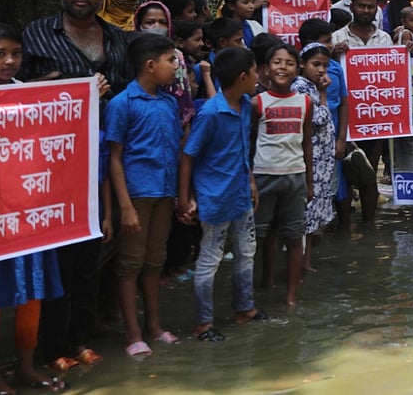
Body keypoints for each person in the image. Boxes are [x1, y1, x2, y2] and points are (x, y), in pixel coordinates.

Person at [22, 0, 131, 371]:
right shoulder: (36, 35)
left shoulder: (118, 39)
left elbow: (125, 98)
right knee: (55, 258)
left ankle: (83, 337)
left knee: (94, 253)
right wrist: (51, 87)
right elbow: (16, 93)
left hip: (102, 162)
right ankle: (52, 347)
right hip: (50, 165)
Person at [0, 24, 67, 393]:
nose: (10, 61)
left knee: (33, 285)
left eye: (16, 54)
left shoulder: (30, 94)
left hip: (31, 201)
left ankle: (26, 368)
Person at [178, 47, 269, 342]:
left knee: (246, 252)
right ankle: (203, 323)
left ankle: (245, 309)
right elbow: (189, 155)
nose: (258, 76)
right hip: (215, 197)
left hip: (240, 193)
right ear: (243, 77)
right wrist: (185, 198)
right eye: (255, 72)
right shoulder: (210, 113)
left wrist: (251, 181)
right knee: (210, 259)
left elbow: (242, 149)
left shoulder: (243, 104)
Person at [106, 33, 185, 357]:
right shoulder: (122, 103)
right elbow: (114, 158)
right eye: (170, 61)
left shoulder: (169, 102)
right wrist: (125, 207)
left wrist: (181, 195)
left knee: (155, 262)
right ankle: (132, 332)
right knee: (129, 264)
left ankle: (154, 326)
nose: (176, 66)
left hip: (164, 194)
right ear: (150, 66)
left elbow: (177, 150)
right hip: (137, 196)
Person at [250, 43, 313, 306]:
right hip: (263, 175)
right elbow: (249, 142)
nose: (282, 68)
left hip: (295, 176)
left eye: (288, 63)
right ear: (266, 68)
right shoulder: (257, 102)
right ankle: (259, 286)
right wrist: (250, 179)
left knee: (294, 235)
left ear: (297, 68)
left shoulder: (305, 102)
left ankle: (291, 296)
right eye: (277, 62)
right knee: (259, 236)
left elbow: (306, 142)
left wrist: (309, 181)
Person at [295, 42, 341, 270]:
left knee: (313, 216)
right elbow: (317, 118)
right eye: (316, 64)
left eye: (324, 65)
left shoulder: (311, 86)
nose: (321, 70)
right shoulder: (300, 87)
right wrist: (323, 94)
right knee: (307, 214)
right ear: (302, 64)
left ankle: (305, 262)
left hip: (320, 160)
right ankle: (301, 263)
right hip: (311, 160)